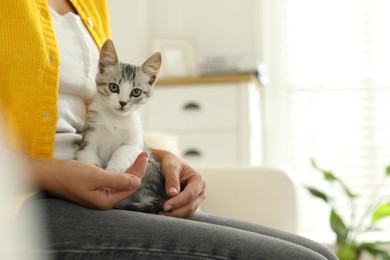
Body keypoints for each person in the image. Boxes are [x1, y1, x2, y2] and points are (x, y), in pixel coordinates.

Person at [0, 0, 337, 259]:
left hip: (96, 185)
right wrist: (46, 173)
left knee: (321, 253)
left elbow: (99, 118)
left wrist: (160, 158)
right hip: (25, 206)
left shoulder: (91, 4)